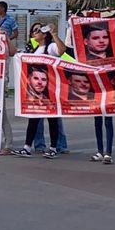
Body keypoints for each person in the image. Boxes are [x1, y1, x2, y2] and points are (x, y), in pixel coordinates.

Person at [28, 27, 69, 155]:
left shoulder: (50, 47)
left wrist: (54, 34)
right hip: (36, 91)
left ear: (44, 35)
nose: (34, 33)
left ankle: (55, 147)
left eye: (37, 31)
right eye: (34, 31)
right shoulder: (34, 50)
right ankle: (31, 146)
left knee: (53, 119)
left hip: (50, 89)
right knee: (34, 119)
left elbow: (62, 50)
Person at [14, 64, 61, 158]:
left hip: (52, 98)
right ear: (29, 79)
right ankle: (27, 148)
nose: (40, 82)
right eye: (36, 78)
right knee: (33, 120)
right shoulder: (31, 97)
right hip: (36, 102)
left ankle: (53, 148)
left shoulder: (48, 98)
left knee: (53, 121)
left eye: (44, 80)